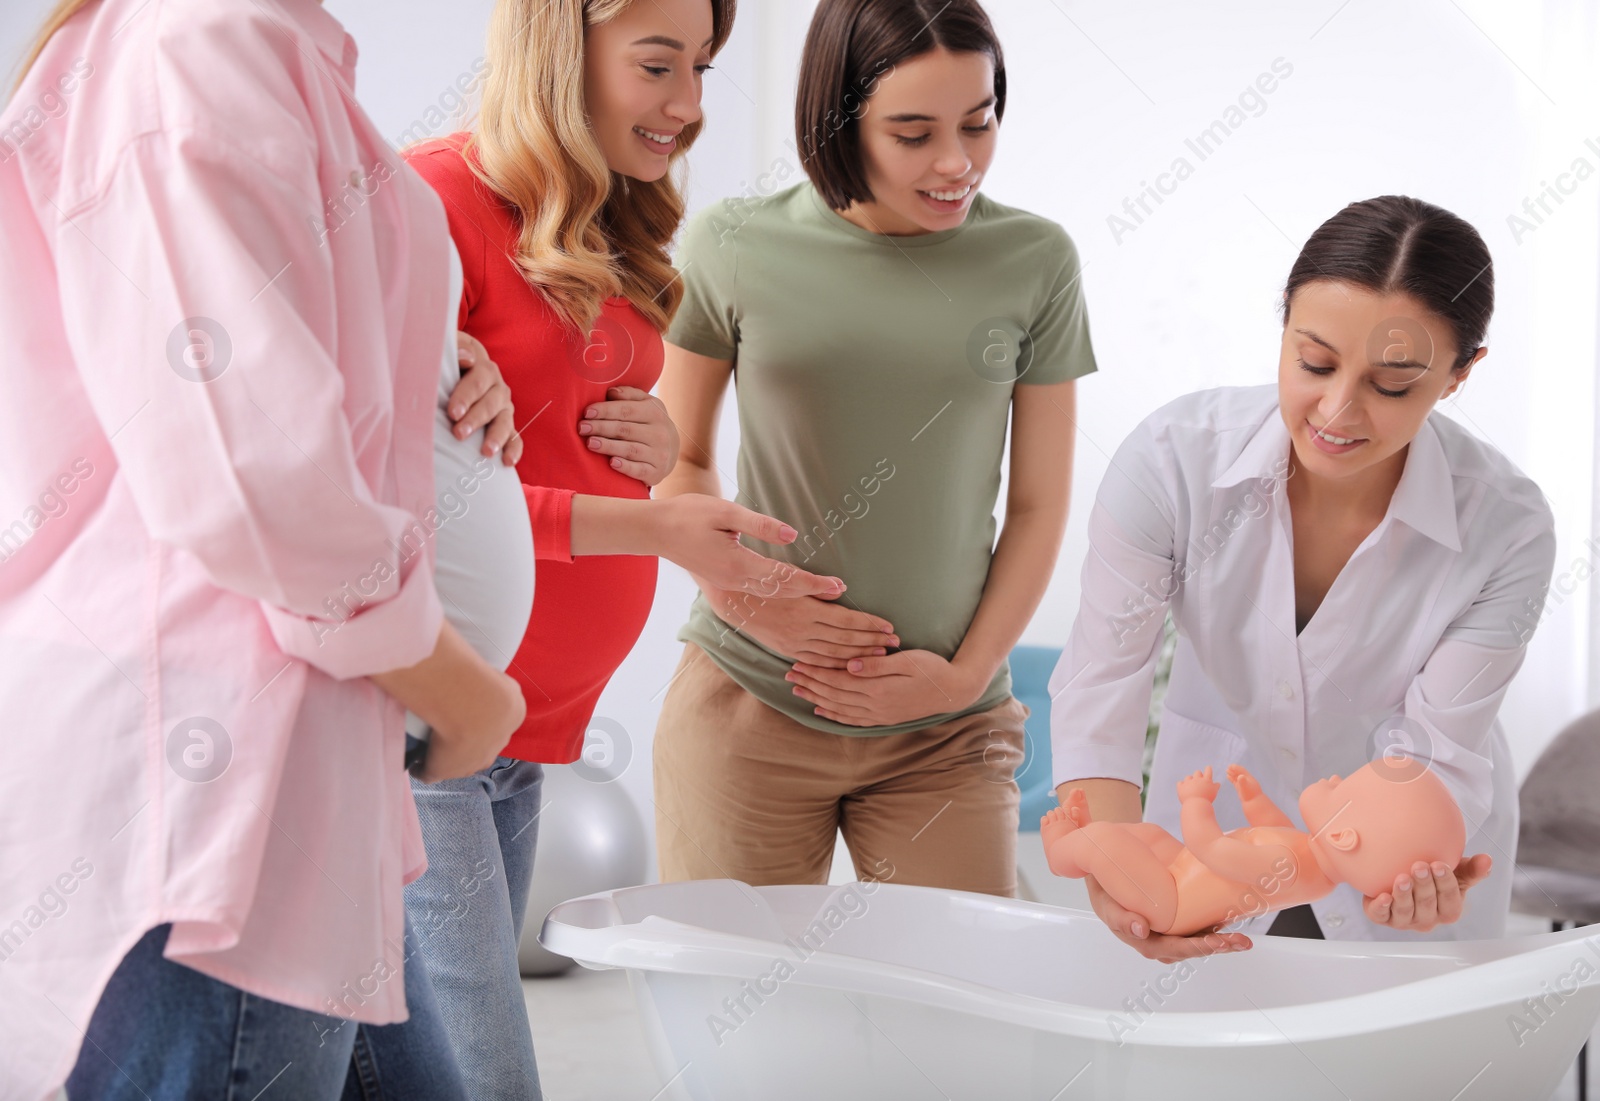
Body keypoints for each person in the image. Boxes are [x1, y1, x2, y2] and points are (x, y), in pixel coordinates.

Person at [0, 0, 532, 1097]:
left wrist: (430, 346)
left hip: (305, 765)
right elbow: (245, 480)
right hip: (229, 776)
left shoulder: (260, 44)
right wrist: (463, 692)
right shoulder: (203, 40)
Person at [347, 2, 845, 1097]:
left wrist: (656, 446)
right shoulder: (430, 202)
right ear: (561, 50)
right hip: (431, 720)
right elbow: (398, 508)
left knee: (405, 1067)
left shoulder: (604, 216)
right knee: (483, 1075)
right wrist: (655, 525)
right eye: (657, 65)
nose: (689, 105)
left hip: (530, 728)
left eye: (703, 67)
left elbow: (551, 424)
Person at [652, 0, 1098, 897]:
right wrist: (744, 596)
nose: (955, 162)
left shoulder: (1035, 259)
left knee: (962, 1007)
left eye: (979, 122)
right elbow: (679, 458)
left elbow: (1043, 503)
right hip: (749, 700)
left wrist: (960, 678)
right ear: (838, 120)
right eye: (912, 132)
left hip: (946, 725)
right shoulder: (732, 244)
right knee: (741, 1016)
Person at [1048, 195, 1557, 963]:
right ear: (1283, 321)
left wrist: (1413, 865)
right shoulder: (1172, 461)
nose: (1338, 409)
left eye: (1393, 386)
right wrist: (1114, 857)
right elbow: (1101, 685)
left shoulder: (1505, 527)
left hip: (1401, 857)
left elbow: (1438, 748)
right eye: (1314, 361)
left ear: (1459, 375)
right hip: (1214, 838)